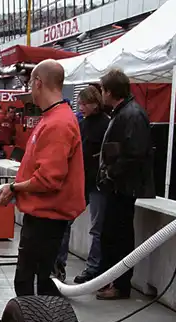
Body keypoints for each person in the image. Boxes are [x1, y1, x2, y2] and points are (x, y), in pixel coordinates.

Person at [0, 59, 85, 297]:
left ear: (38, 83)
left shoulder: (57, 123)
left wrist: (14, 188)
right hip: (42, 216)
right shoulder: (53, 118)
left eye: (30, 84)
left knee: (32, 285)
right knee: (32, 281)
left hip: (46, 218)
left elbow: (48, 180)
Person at [95, 68, 155, 300]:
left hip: (124, 187)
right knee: (110, 235)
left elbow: (135, 153)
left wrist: (111, 171)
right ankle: (110, 279)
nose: (100, 94)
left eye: (102, 89)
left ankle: (120, 285)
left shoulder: (131, 115)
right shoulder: (123, 112)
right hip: (118, 186)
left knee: (119, 237)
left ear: (110, 91)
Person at [70, 85, 111, 284]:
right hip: (84, 180)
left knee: (97, 227)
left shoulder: (106, 124)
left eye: (85, 103)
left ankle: (94, 267)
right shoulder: (83, 124)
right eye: (80, 104)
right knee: (67, 219)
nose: (81, 107)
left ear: (95, 103)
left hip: (97, 183)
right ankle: (59, 264)